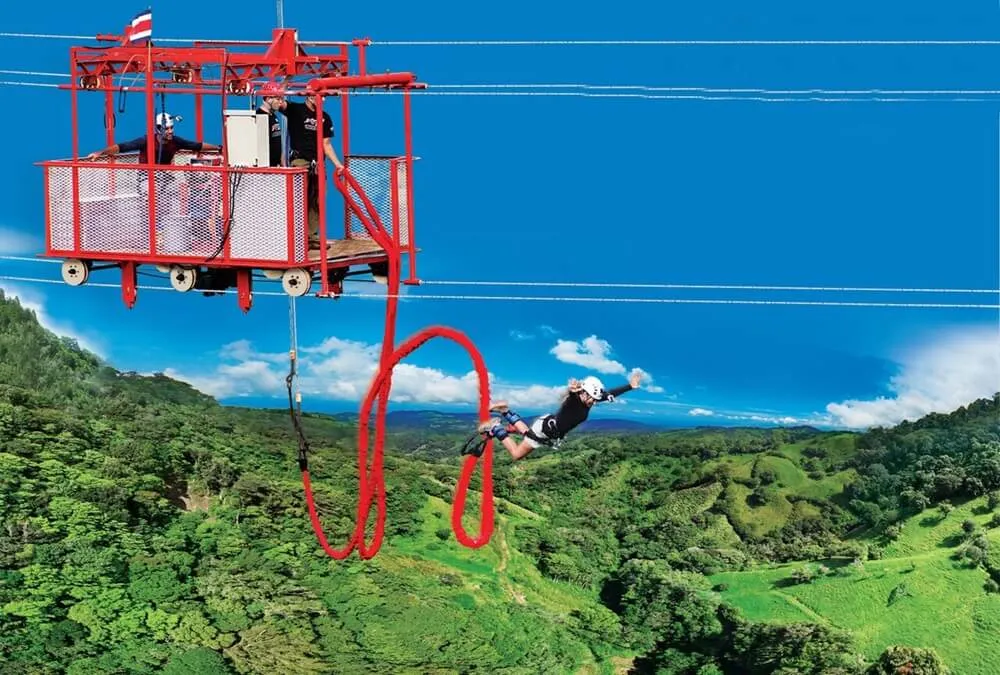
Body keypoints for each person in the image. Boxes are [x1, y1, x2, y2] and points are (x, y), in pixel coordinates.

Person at [472, 373, 642, 461]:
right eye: (590, 397)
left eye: (594, 399)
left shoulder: (589, 399)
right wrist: (573, 389)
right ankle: (496, 427)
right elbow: (573, 395)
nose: (592, 402)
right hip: (545, 430)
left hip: (547, 426)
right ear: (582, 392)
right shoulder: (575, 400)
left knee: (526, 432)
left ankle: (505, 410)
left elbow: (609, 394)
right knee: (516, 454)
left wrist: (630, 386)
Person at [265, 85, 345, 249]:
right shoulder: (295, 109)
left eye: (324, 97)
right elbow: (278, 101)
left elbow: (326, 144)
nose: (322, 100)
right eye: (319, 96)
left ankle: (310, 237)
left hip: (318, 164)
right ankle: (295, 237)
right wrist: (284, 81)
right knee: (299, 200)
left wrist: (337, 164)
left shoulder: (325, 117)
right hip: (300, 162)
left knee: (317, 200)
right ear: (309, 96)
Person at [85, 113, 220, 164]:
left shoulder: (176, 142)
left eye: (171, 128)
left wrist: (219, 148)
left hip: (165, 177)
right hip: (146, 177)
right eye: (167, 129)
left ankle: (161, 225)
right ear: (158, 129)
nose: (170, 131)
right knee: (149, 199)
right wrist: (100, 153)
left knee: (168, 200)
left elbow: (197, 145)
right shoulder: (146, 141)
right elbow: (122, 147)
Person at [257, 82, 285, 167]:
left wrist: (281, 161)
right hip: (265, 168)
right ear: (268, 99)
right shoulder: (259, 117)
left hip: (275, 166)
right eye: (278, 99)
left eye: (281, 99)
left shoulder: (273, 115)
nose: (281, 102)